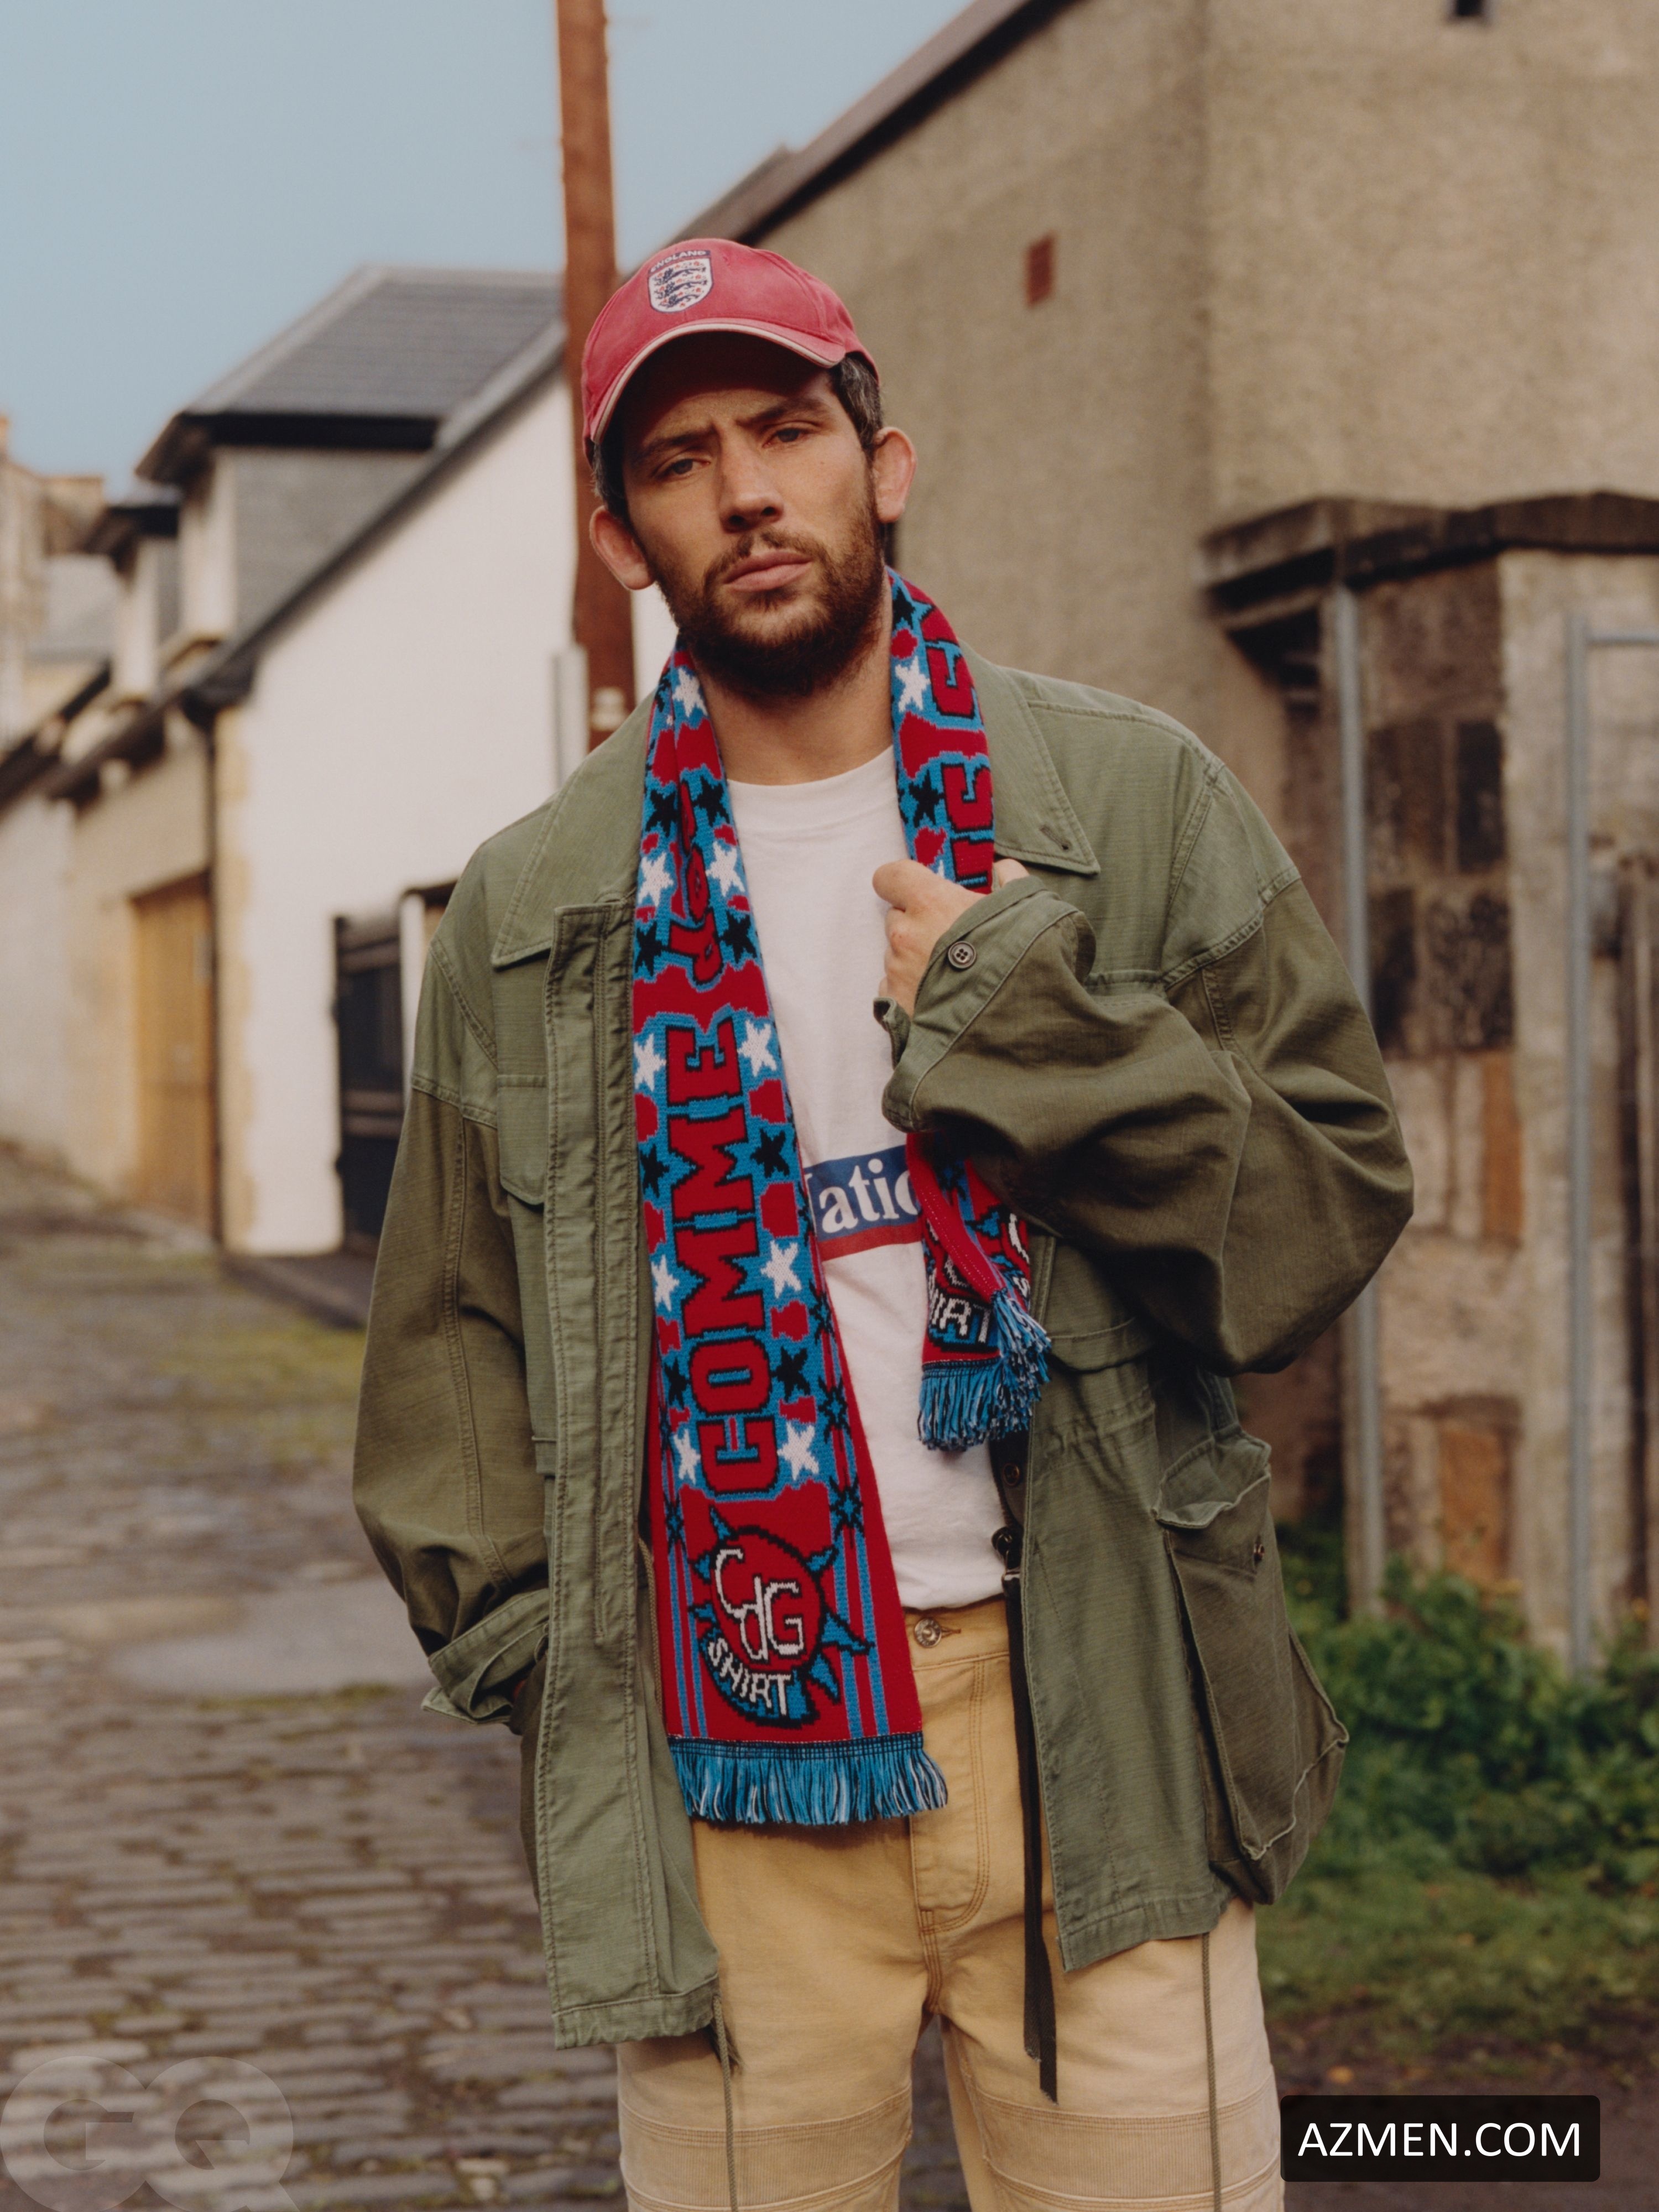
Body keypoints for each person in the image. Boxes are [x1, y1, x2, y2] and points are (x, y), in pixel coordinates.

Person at [354, 238, 1411, 2212]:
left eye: (785, 431)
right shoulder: (534, 907)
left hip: (1105, 1702)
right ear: (624, 537)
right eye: (680, 461)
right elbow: (450, 1351)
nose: (746, 492)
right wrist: (558, 1669)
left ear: (885, 462)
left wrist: (1041, 1032)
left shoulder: (1127, 803)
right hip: (728, 1750)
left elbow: (1317, 1219)